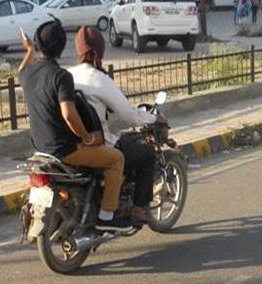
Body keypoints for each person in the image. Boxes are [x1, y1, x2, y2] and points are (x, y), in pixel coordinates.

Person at [18, 21, 131, 232]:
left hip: (41, 149)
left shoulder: (28, 75)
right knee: (117, 159)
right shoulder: (61, 76)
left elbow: (22, 67)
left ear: (39, 44)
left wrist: (29, 49)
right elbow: (69, 115)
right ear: (62, 46)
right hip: (66, 151)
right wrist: (87, 138)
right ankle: (107, 217)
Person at [69, 27, 159, 225]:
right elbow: (129, 116)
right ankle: (137, 210)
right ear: (97, 52)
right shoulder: (99, 79)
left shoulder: (68, 75)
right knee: (147, 154)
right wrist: (153, 119)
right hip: (99, 145)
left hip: (73, 144)